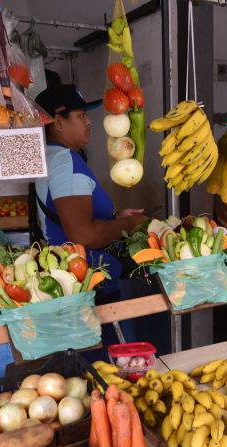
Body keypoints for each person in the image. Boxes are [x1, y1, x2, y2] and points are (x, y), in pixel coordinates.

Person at [32, 84, 146, 300]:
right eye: (81, 115)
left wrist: (113, 219)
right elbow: (82, 234)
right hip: (86, 284)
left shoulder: (51, 156)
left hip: (74, 280)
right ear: (57, 122)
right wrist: (129, 225)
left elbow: (69, 215)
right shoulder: (65, 161)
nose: (89, 121)